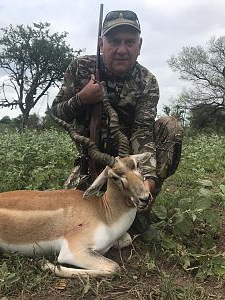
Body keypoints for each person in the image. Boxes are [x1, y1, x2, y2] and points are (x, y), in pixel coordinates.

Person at [51, 10, 183, 236]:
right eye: (114, 41)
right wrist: (82, 99)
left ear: (139, 46)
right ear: (101, 43)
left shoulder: (147, 81)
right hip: (91, 162)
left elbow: (142, 131)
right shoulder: (81, 67)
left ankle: (142, 206)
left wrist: (147, 181)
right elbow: (56, 113)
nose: (122, 50)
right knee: (70, 217)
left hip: (131, 165)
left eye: (129, 42)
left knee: (170, 126)